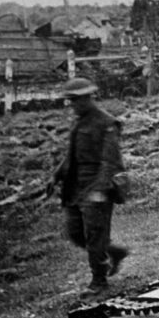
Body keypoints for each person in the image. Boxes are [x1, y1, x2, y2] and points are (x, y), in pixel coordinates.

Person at [50, 77, 129, 297]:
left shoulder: (107, 123)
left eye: (75, 100)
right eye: (70, 101)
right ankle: (114, 252)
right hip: (75, 186)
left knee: (95, 235)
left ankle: (99, 281)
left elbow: (110, 161)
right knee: (75, 233)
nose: (72, 105)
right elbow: (71, 155)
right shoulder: (79, 122)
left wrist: (99, 190)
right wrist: (56, 176)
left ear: (87, 98)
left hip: (98, 186)